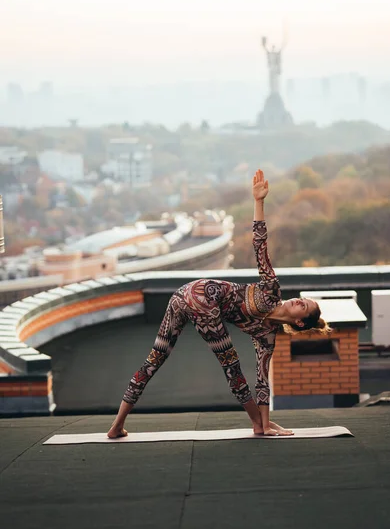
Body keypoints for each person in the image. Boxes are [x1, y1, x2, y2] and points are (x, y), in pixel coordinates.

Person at [107, 169, 330, 439]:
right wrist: (259, 202)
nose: (297, 301)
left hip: (191, 300)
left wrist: (268, 417)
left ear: (299, 322)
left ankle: (118, 427)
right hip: (194, 294)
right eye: (301, 300)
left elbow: (263, 381)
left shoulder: (267, 336)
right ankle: (117, 424)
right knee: (211, 363)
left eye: (302, 307)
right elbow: (260, 245)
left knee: (164, 359)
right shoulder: (272, 290)